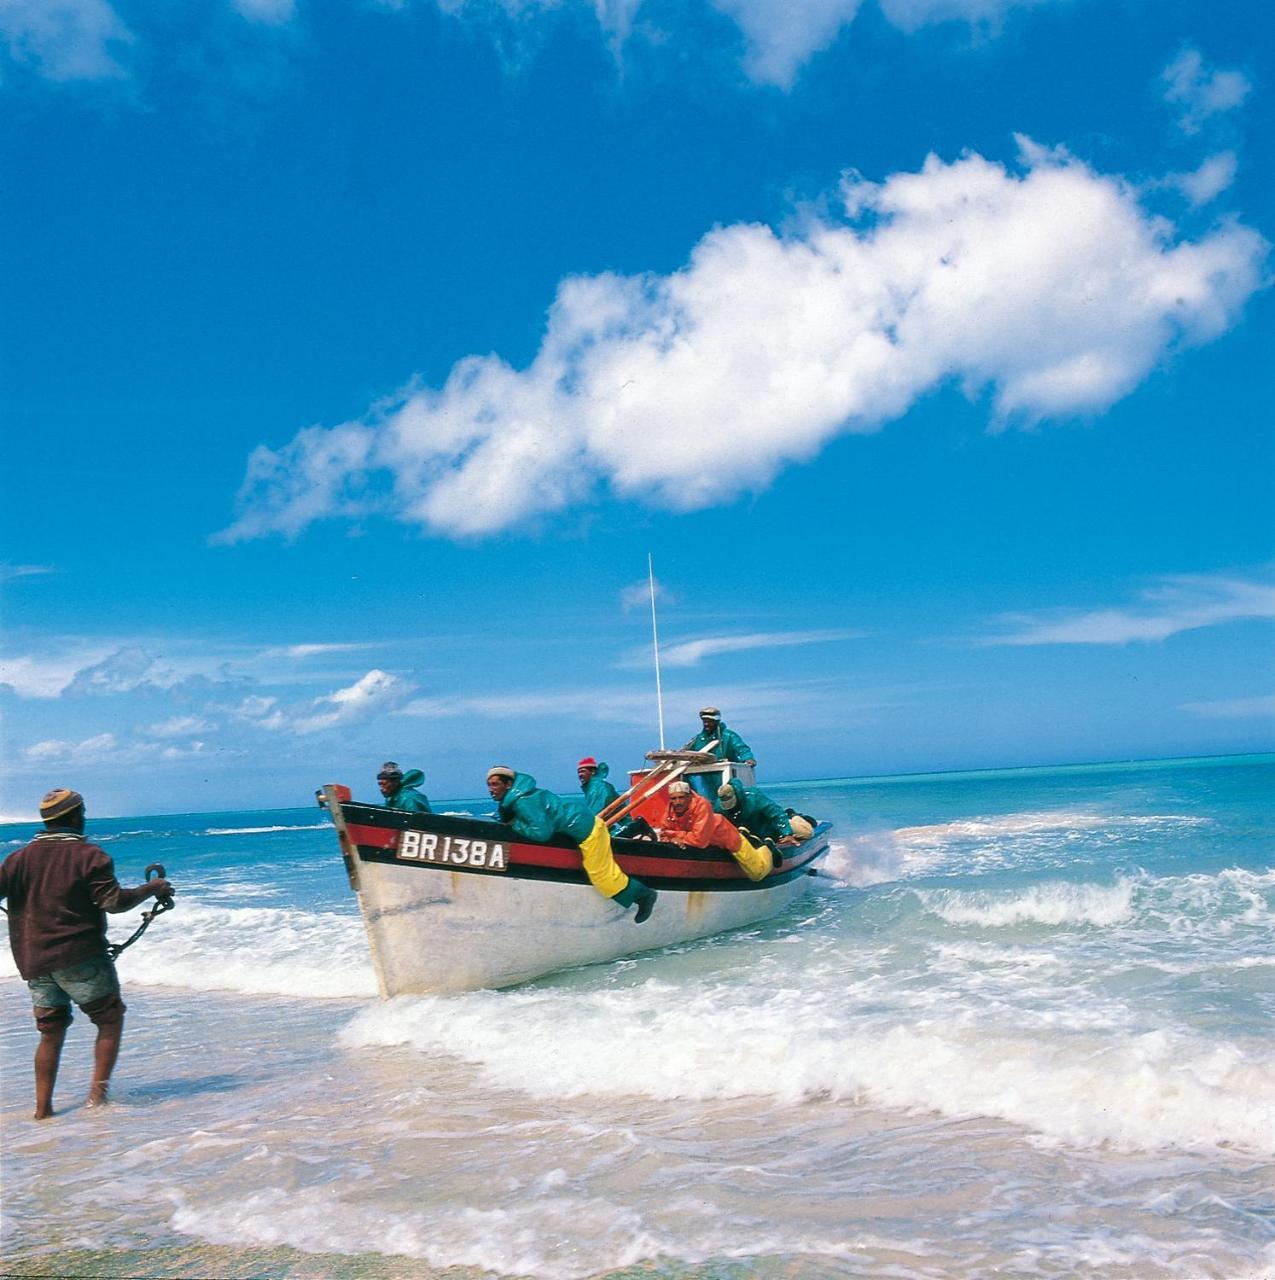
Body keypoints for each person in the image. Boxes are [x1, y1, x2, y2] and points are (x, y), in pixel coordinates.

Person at [0, 788, 175, 1120]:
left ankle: (42, 1111)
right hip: (79, 955)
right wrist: (152, 889)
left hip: (33, 960)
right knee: (110, 1018)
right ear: (75, 816)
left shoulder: (16, 859)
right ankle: (96, 1099)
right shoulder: (90, 856)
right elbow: (114, 903)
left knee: (50, 1032)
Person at [486, 766, 658, 922]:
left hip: (589, 832)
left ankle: (644, 895)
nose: (491, 790)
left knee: (600, 874)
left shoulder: (523, 801)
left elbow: (542, 832)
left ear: (508, 785)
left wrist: (515, 825)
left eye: (495, 784)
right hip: (583, 825)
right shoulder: (521, 796)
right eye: (489, 785)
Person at [647, 780, 775, 881]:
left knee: (758, 873)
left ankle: (767, 847)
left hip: (728, 838)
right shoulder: (670, 811)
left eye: (681, 797)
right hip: (710, 844)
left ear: (689, 797)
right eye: (674, 798)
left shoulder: (702, 805)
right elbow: (663, 833)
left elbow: (699, 840)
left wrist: (675, 836)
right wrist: (672, 838)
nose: (677, 802)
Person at [716, 778, 808, 846]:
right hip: (754, 833)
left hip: (773, 826)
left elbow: (776, 813)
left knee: (807, 833)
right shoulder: (718, 807)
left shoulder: (754, 797)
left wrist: (787, 834)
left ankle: (793, 815)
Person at [683, 707, 756, 767]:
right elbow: (685, 752)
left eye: (710, 721)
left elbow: (742, 749)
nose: (706, 724)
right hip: (705, 776)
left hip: (728, 772)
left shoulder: (729, 736)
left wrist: (748, 759)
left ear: (717, 721)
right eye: (705, 721)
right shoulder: (698, 739)